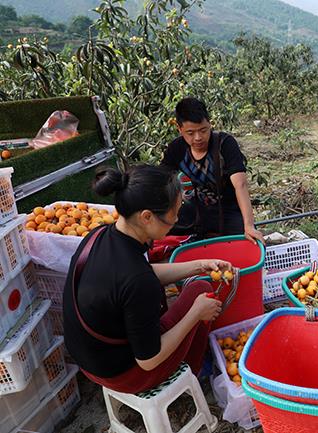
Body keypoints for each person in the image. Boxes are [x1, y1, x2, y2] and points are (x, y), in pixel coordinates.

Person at [63, 165, 231, 393]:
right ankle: (190, 371)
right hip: (126, 375)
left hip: (92, 360)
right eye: (174, 214)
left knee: (197, 285)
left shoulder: (101, 235)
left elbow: (141, 274)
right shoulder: (137, 281)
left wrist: (200, 265)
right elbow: (148, 360)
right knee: (200, 292)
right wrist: (195, 315)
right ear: (147, 217)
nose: (177, 219)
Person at [161, 97, 263, 242]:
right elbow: (160, 180)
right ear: (179, 129)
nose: (198, 138)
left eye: (203, 130)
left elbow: (240, 185)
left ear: (210, 124)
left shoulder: (225, 144)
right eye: (190, 133)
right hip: (194, 211)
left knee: (251, 242)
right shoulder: (176, 149)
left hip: (228, 210)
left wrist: (249, 225)